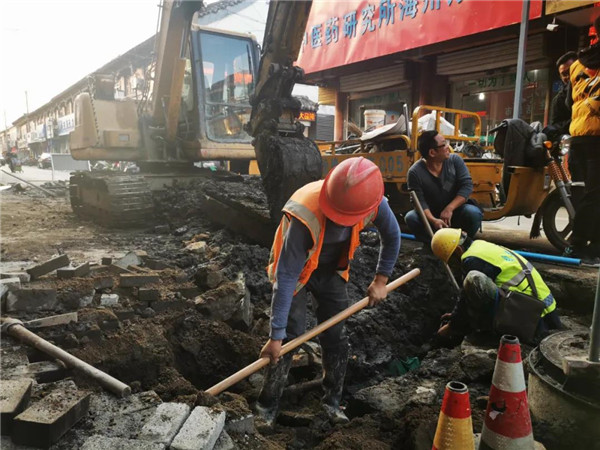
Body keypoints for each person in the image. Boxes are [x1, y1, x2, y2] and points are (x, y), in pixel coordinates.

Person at [256, 157, 401, 426]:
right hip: (297, 270)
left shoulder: (373, 202)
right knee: (289, 336)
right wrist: (275, 336)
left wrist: (381, 280)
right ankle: (266, 407)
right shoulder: (305, 214)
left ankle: (332, 403)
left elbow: (392, 236)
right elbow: (286, 277)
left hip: (332, 269)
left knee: (336, 335)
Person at [431, 228, 561, 342]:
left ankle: (489, 333)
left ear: (458, 250)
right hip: (546, 310)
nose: (453, 266)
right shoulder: (480, 246)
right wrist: (455, 316)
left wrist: (453, 326)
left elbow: (466, 297)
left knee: (473, 281)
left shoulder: (472, 260)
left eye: (451, 261)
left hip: (533, 319)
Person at [405, 130, 482, 244]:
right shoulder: (415, 172)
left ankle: (462, 244)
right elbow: (419, 202)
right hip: (432, 216)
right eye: (444, 144)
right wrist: (433, 220)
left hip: (454, 212)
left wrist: (449, 208)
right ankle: (433, 245)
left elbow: (466, 187)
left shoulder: (455, 161)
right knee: (411, 218)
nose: (448, 147)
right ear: (432, 152)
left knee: (473, 213)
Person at [564, 17, 600, 259]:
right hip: (596, 137)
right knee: (595, 193)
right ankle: (579, 243)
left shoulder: (578, 63)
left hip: (579, 137)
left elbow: (568, 102)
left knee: (590, 193)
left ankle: (589, 245)